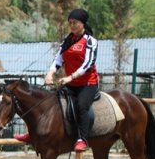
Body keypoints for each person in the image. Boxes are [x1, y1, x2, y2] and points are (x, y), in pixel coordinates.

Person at [14, 8, 98, 151]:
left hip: (87, 83)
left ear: (83, 23)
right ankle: (31, 134)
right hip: (69, 83)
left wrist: (71, 77)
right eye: (70, 23)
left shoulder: (90, 41)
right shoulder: (67, 40)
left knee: (82, 107)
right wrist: (50, 73)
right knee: (47, 103)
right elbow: (58, 58)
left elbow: (88, 64)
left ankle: (82, 139)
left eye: (75, 23)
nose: (72, 26)